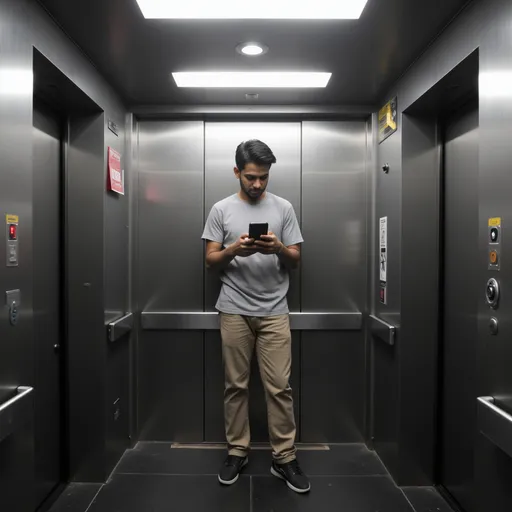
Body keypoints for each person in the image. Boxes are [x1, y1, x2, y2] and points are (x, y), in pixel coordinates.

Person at [201, 139, 311, 494]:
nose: (258, 184)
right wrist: (235, 249)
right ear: (237, 172)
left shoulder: (284, 208)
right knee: (236, 386)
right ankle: (237, 450)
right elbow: (210, 261)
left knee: (280, 387)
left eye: (263, 177)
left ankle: (284, 457)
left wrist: (278, 247)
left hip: (275, 312)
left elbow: (295, 260)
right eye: (250, 177)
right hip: (233, 309)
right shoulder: (220, 209)